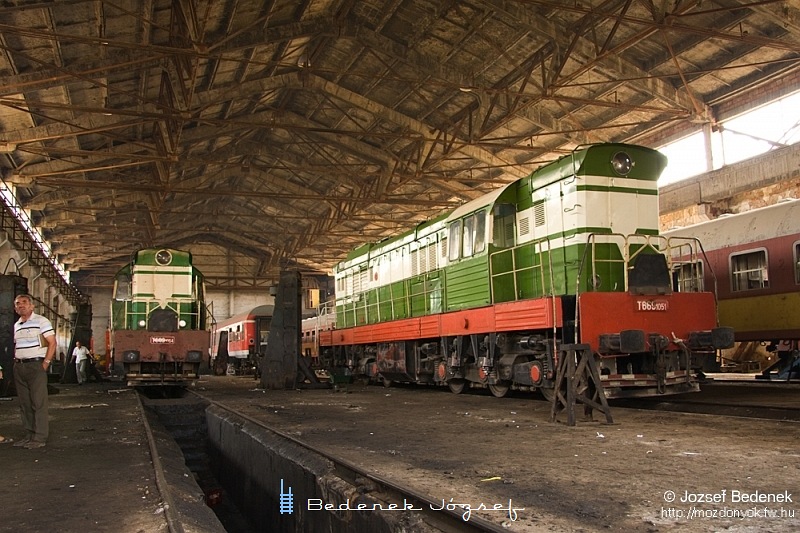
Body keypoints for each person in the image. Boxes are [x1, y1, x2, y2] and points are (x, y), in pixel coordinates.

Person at [12, 294, 56, 449]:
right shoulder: (17, 325)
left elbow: (52, 343)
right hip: (20, 367)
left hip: (35, 366)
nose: (21, 305)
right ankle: (29, 435)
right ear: (15, 308)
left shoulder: (41, 321)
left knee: (38, 403)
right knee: (25, 404)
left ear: (31, 306)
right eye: (18, 303)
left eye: (24, 302)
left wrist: (45, 363)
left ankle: (40, 437)